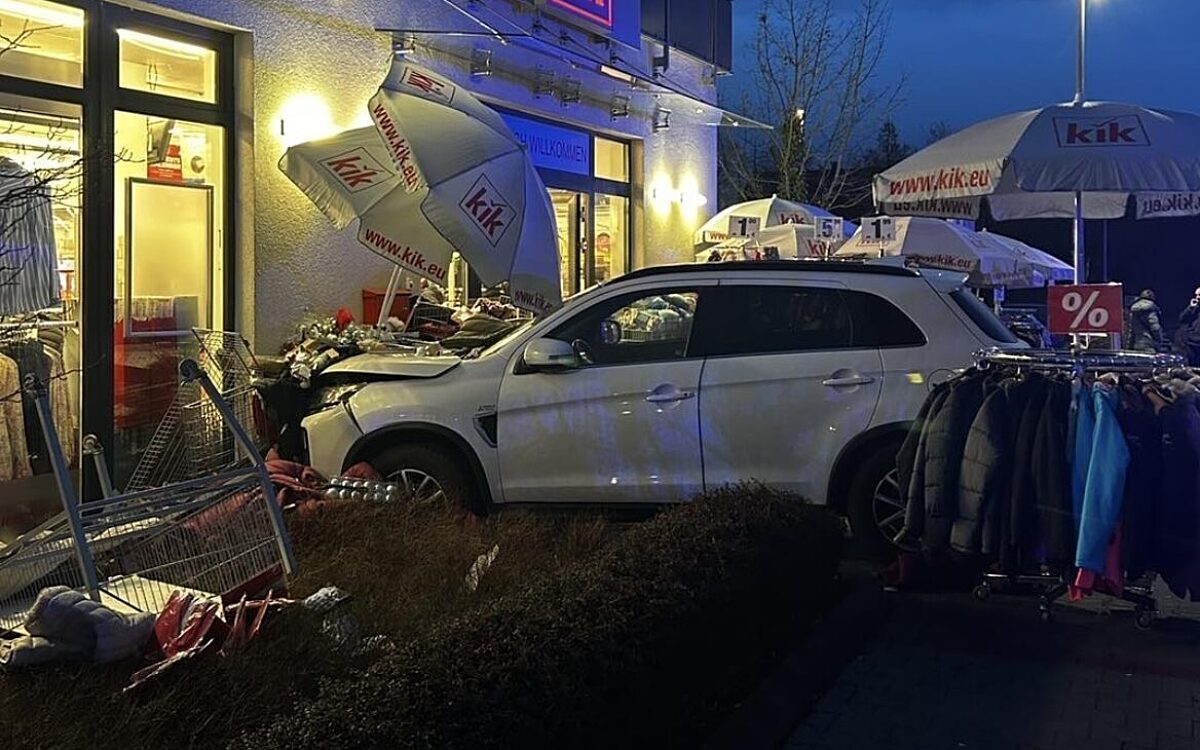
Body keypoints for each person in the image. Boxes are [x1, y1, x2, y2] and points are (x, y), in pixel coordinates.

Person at [1177, 286, 1200, 365]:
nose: (1197, 297)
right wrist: (1190, 308)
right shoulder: (1195, 308)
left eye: (1199, 295)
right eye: (1196, 295)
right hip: (1191, 342)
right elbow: (1182, 319)